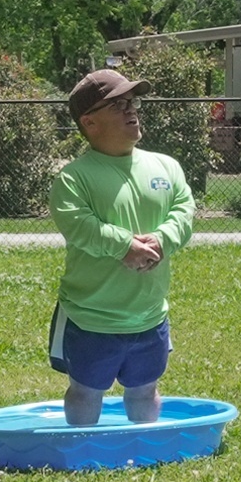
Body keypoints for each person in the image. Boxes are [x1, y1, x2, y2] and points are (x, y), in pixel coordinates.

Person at [48, 68, 196, 426]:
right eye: (117, 106)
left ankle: (145, 452)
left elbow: (184, 211)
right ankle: (81, 456)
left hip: (149, 313)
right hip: (90, 315)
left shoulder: (166, 166)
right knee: (85, 391)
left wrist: (162, 239)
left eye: (132, 102)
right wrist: (124, 246)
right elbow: (79, 225)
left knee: (145, 389)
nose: (131, 111)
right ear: (89, 122)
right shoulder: (73, 178)